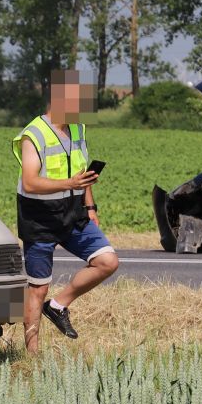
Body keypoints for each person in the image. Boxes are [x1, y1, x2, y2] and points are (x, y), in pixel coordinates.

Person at [12, 69, 120, 354]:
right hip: (40, 219)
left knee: (107, 261)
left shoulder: (78, 128)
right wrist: (69, 183)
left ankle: (58, 306)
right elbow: (30, 182)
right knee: (38, 288)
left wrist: (90, 204)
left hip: (73, 214)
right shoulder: (33, 134)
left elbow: (80, 172)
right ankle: (32, 356)